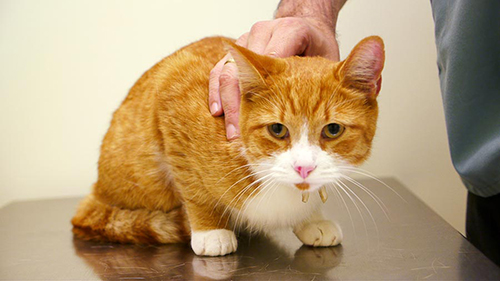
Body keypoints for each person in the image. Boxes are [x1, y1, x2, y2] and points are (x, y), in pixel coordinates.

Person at [208, 0, 500, 266]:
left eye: (332, 129)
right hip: (491, 180)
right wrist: (310, 13)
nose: (304, 164)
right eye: (278, 129)